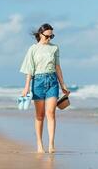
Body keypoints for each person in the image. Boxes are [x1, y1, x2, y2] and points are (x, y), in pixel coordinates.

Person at [19, 23, 70, 153]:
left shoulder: (55, 48)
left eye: (51, 36)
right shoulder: (33, 49)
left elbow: (57, 67)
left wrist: (63, 84)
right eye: (47, 36)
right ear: (40, 34)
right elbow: (29, 69)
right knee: (40, 116)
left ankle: (51, 144)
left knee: (51, 113)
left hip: (52, 81)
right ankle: (39, 144)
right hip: (38, 82)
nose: (49, 39)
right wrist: (26, 87)